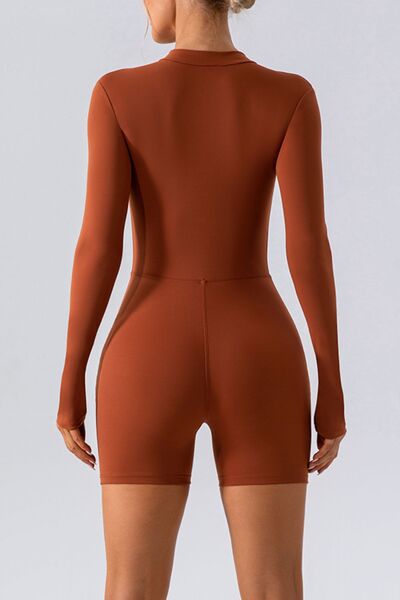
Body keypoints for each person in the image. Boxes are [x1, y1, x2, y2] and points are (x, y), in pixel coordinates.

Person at [56, 0, 347, 598]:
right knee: (275, 586)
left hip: (147, 353)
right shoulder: (289, 96)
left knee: (131, 586)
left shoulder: (116, 94)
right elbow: (308, 248)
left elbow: (98, 247)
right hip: (259, 352)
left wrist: (71, 378)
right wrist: (331, 383)